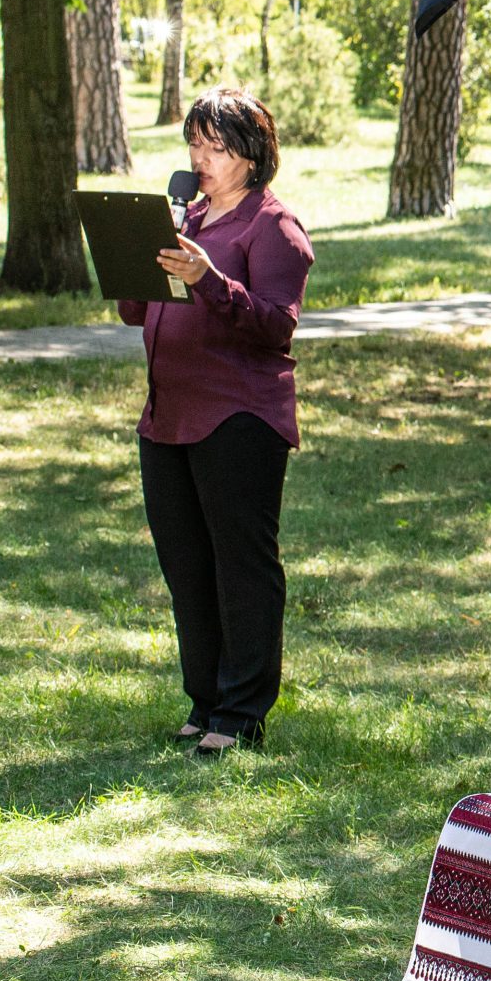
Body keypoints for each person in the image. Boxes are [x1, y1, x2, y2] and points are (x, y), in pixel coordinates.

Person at [119, 87, 314, 758]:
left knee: (240, 565)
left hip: (239, 416)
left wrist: (207, 279)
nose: (200, 157)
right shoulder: (188, 217)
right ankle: (204, 699)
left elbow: (275, 326)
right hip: (166, 414)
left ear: (253, 154)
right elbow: (133, 311)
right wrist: (133, 258)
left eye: (216, 145)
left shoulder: (273, 226)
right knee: (186, 564)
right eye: (194, 143)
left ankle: (242, 712)